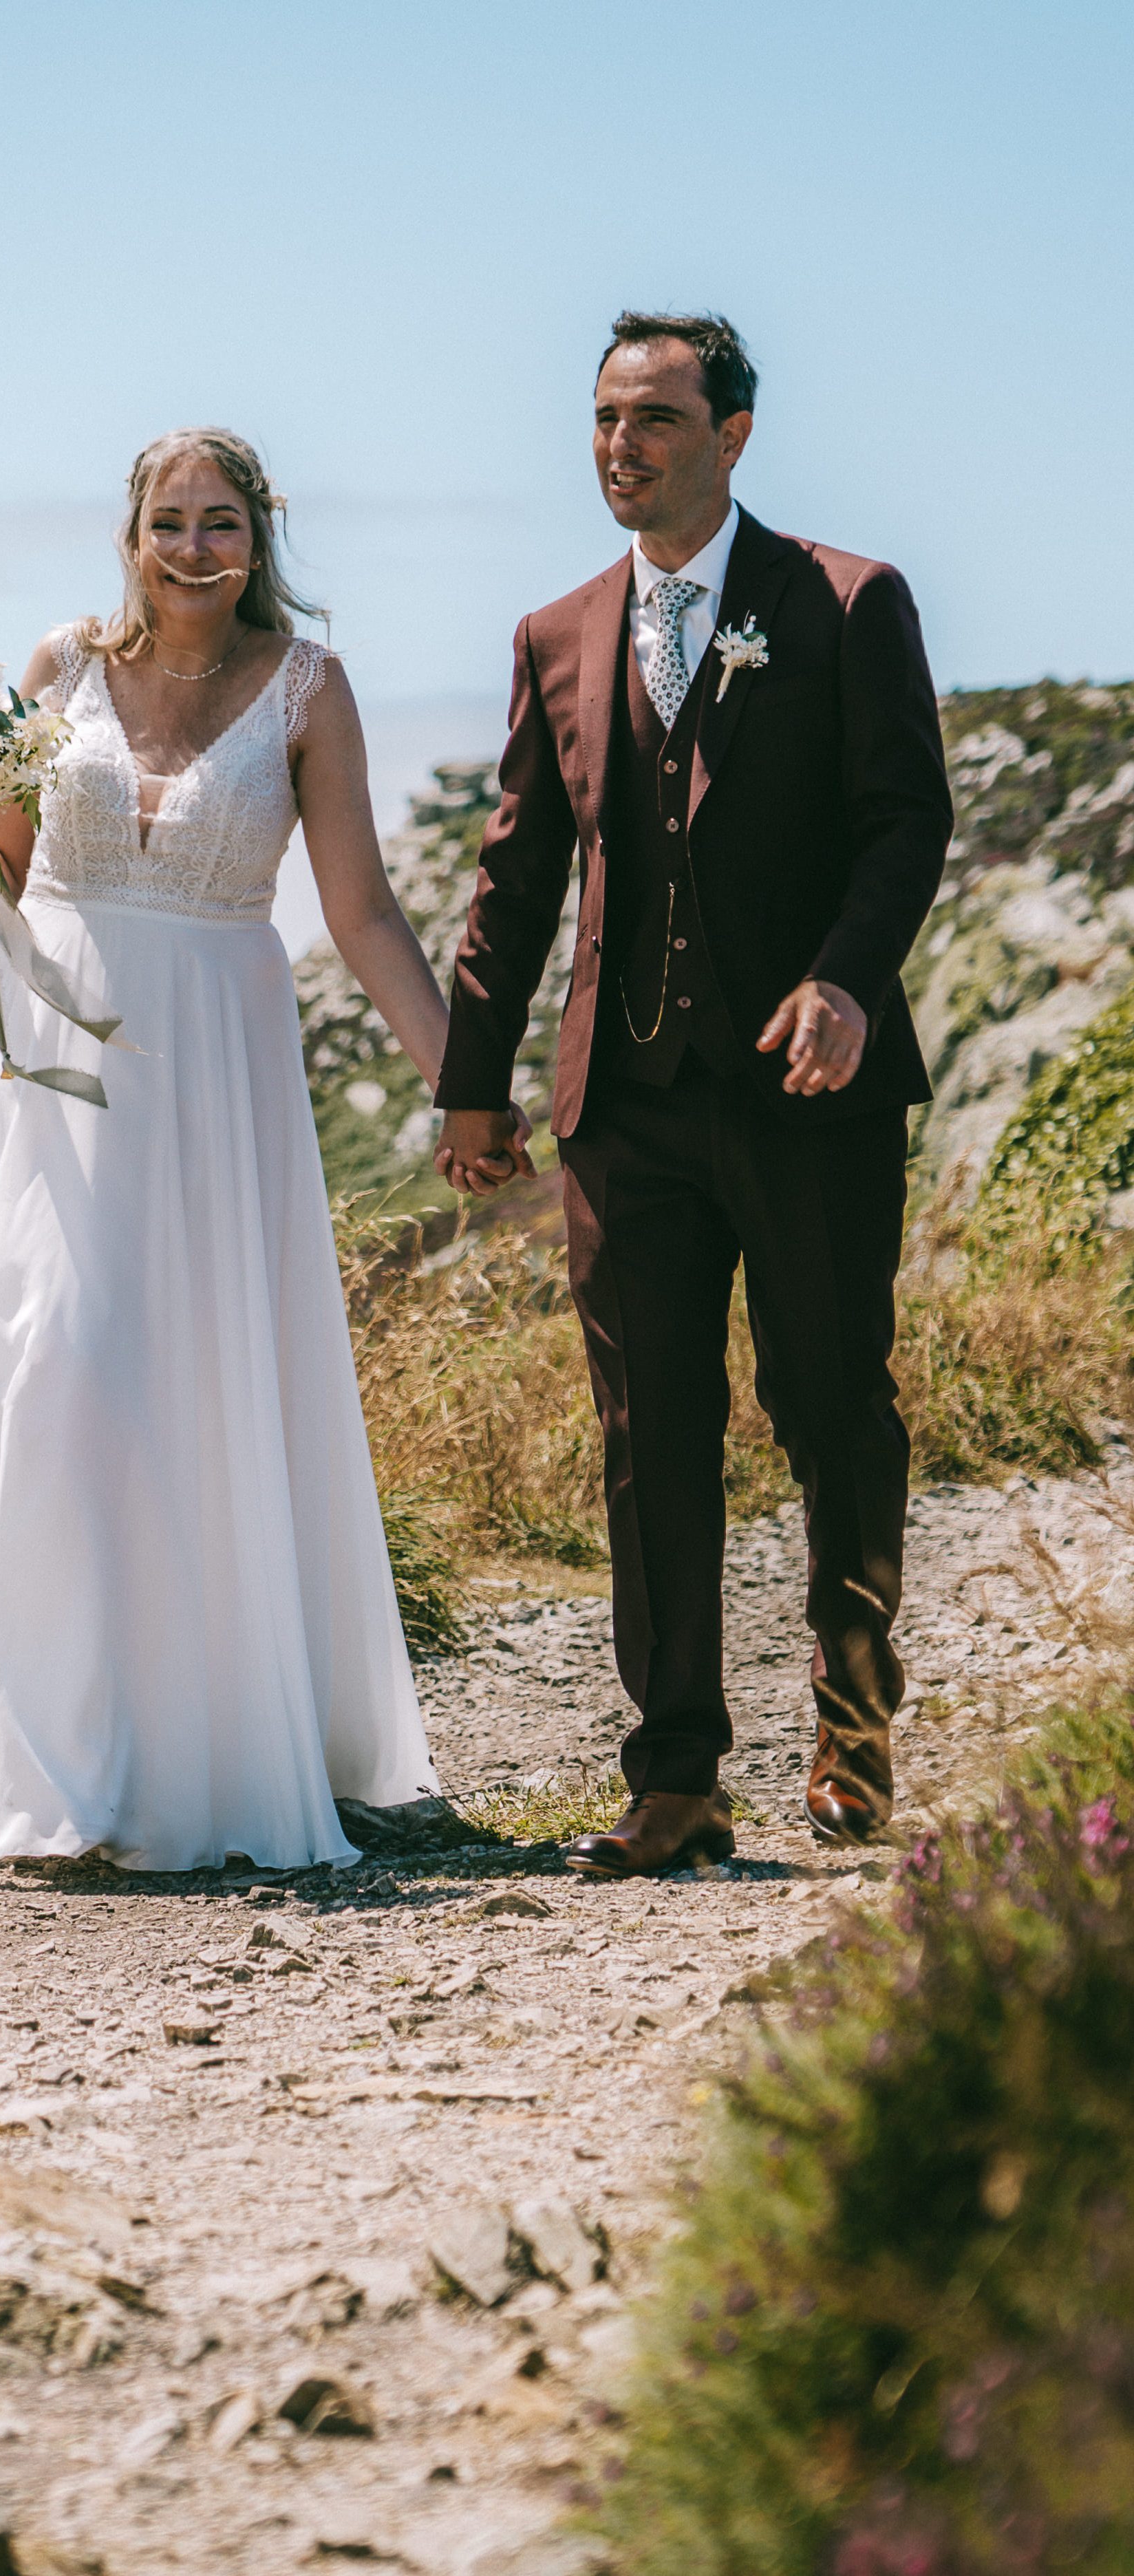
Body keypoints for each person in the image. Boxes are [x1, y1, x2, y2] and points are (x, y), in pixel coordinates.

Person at [0, 427, 499, 1871]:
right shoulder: (56, 672)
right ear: (130, 532)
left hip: (218, 1068)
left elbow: (358, 911)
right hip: (63, 1068)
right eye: (169, 520)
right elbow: (16, 867)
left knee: (199, 1390)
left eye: (218, 521)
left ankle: (199, 1753)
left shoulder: (307, 689)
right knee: (55, 1362)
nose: (191, 546)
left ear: (258, 536)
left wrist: (463, 1088)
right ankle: (57, 1768)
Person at [433, 313, 954, 1879]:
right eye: (603, 416)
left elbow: (904, 820)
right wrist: (475, 1087)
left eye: (655, 417)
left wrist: (849, 983)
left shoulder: (847, 602)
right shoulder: (554, 634)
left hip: (810, 1092)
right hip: (626, 1105)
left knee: (827, 1405)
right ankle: (674, 1779)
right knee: (647, 1431)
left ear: (732, 435)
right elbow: (515, 873)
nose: (620, 444)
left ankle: (853, 1709)